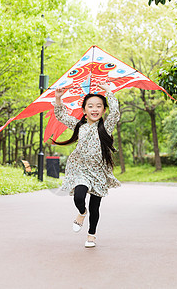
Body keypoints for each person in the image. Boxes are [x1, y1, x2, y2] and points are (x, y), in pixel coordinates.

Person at [53, 81, 121, 248]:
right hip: (81, 170)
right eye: (90, 106)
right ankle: (82, 213)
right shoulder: (79, 126)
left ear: (103, 110)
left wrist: (109, 92)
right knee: (79, 197)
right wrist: (58, 98)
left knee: (95, 206)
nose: (95, 109)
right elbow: (61, 115)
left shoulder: (106, 127)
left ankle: (91, 235)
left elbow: (116, 114)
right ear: (84, 111)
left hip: (99, 172)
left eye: (99, 106)